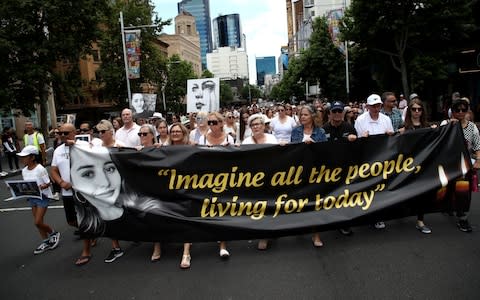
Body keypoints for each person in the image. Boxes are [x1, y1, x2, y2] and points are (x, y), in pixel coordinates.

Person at [354, 94, 394, 229]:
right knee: (368, 187)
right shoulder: (360, 120)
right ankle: (367, 214)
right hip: (367, 159)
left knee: (381, 187)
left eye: (378, 105)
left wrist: (390, 134)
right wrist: (363, 138)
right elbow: (358, 142)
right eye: (373, 106)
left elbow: (392, 139)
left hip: (383, 159)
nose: (376, 108)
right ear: (367, 107)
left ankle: (378, 216)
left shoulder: (386, 119)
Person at [290, 105, 328, 246]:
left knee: (315, 204)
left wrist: (314, 145)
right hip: (299, 172)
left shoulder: (320, 132)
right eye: (301, 115)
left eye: (305, 115)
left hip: (315, 172)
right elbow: (292, 150)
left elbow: (325, 152)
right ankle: (301, 226)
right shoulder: (295, 131)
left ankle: (316, 234)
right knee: (300, 202)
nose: (302, 117)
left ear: (312, 116)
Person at [440, 97, 479, 232]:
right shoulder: (446, 124)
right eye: (458, 110)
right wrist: (449, 126)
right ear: (453, 111)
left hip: (465, 164)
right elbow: (439, 141)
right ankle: (449, 206)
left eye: (464, 109)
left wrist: (478, 160)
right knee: (448, 188)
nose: (461, 112)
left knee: (463, 191)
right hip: (448, 163)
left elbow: (477, 146)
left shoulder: (472, 127)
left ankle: (462, 218)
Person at [198, 112, 234, 258]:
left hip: (225, 178)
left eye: (214, 122)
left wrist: (230, 148)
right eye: (209, 123)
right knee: (211, 207)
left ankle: (223, 244)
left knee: (222, 208)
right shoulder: (202, 138)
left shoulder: (229, 137)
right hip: (207, 178)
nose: (211, 125)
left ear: (221, 123)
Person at [242, 114, 278, 250]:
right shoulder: (246, 142)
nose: (256, 127)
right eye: (253, 125)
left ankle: (270, 230)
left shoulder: (272, 138)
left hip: (272, 177)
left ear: (264, 126)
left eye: (258, 124)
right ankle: (263, 234)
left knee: (271, 204)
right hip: (254, 180)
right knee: (259, 206)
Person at [17, 145, 60, 254]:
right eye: (22, 157)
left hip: (42, 197)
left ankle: (53, 233)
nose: (22, 159)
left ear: (32, 157)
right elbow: (26, 185)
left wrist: (41, 187)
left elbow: (49, 182)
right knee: (38, 222)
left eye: (25, 157)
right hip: (32, 198)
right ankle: (45, 241)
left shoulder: (40, 169)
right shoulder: (24, 171)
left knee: (37, 222)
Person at [403, 99, 437, 234]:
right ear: (409, 110)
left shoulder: (427, 126)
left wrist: (436, 131)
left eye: (419, 109)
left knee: (423, 193)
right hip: (408, 166)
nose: (417, 112)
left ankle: (420, 221)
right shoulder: (404, 126)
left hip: (424, 165)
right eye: (414, 109)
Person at [169, 122, 193, 268]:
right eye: (173, 131)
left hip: (189, 187)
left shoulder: (191, 146)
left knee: (186, 218)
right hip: (170, 188)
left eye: (178, 131)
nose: (175, 133)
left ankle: (186, 253)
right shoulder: (164, 148)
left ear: (183, 133)